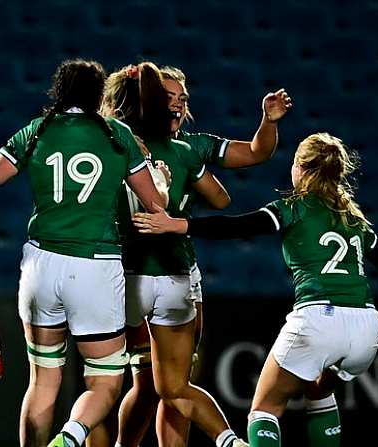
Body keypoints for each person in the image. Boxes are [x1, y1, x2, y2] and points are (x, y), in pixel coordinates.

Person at [134, 132, 378, 447]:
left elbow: (238, 226)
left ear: (300, 168)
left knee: (264, 409)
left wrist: (179, 225)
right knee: (319, 390)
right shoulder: (353, 219)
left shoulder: (293, 208)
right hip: (366, 327)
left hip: (318, 318)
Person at [0, 59, 167, 447]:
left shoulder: (35, 132)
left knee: (42, 381)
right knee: (104, 383)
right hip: (94, 266)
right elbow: (154, 204)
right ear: (97, 95)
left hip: (40, 265)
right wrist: (155, 171)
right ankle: (69, 439)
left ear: (59, 91)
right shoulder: (117, 135)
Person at [97, 62, 245, 447]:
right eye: (168, 98)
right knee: (168, 385)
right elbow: (219, 199)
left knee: (126, 385)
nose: (177, 106)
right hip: (163, 272)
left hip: (123, 276)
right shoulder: (173, 150)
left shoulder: (104, 143)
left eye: (183, 99)